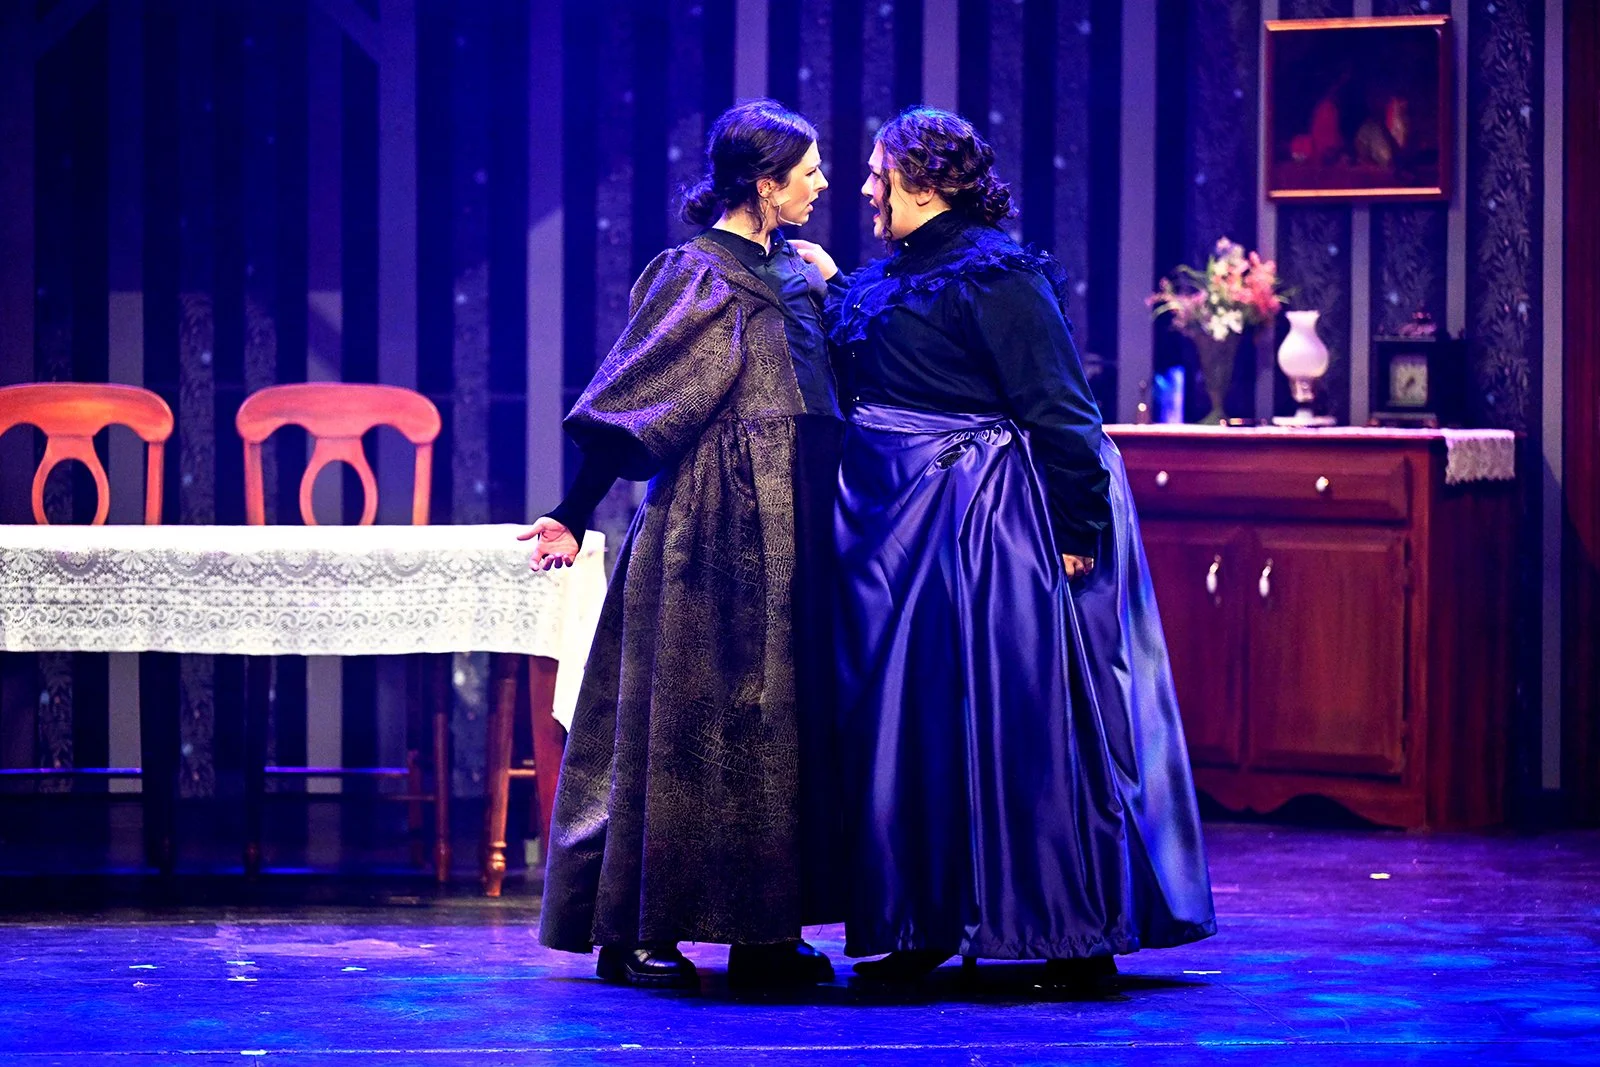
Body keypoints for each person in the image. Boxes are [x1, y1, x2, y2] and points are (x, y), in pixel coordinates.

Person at [795, 106, 1216, 986]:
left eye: (878, 173)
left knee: (1013, 716)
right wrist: (832, 280)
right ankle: (915, 922)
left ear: (925, 177)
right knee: (907, 726)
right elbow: (886, 347)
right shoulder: (883, 277)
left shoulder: (999, 274)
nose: (866, 188)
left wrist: (1075, 527)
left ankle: (1056, 928)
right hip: (891, 535)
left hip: (981, 524)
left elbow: (1061, 408)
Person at [523, 100, 846, 989]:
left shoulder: (798, 274)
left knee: (777, 725)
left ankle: (765, 929)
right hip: (715, 525)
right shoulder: (696, 274)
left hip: (803, 523)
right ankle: (639, 929)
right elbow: (631, 401)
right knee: (687, 723)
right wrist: (574, 508)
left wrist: (832, 282)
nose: (823, 185)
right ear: (763, 184)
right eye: (808, 172)